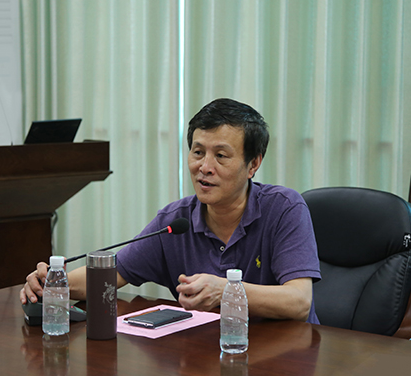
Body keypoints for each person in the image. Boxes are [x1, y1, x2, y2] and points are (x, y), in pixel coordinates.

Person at [21, 98, 321, 323]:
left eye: (221, 156)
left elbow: (299, 301)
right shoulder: (175, 222)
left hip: (286, 356)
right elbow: (110, 276)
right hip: (207, 356)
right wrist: (53, 282)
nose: (205, 167)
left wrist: (227, 290)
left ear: (253, 164)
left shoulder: (284, 208)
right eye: (198, 152)